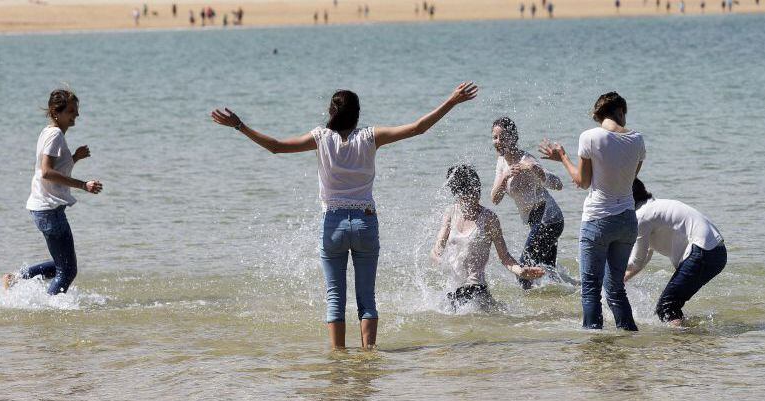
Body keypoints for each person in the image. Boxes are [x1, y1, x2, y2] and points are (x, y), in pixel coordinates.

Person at [210, 82, 478, 350]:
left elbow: (276, 147)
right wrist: (452, 101)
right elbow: (419, 127)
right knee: (367, 299)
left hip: (333, 225)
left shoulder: (320, 137)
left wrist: (239, 126)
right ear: (358, 114)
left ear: (331, 112)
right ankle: (368, 355)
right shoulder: (371, 136)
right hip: (365, 222)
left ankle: (338, 358)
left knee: (335, 298)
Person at [539, 92, 645, 331]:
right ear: (620, 111)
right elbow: (628, 179)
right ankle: (629, 338)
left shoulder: (589, 137)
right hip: (627, 220)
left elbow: (583, 182)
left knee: (590, 288)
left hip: (598, 220)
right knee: (616, 288)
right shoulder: (638, 140)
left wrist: (563, 157)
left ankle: (593, 346)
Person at [2, 89, 103, 294]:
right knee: (67, 271)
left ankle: (15, 278)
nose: (76, 115)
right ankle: (50, 308)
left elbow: (52, 169)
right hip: (49, 211)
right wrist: (84, 185)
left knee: (61, 265)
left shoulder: (49, 131)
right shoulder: (55, 134)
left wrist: (74, 157)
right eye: (71, 111)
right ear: (56, 112)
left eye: (77, 110)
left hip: (44, 209)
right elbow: (47, 172)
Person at [432, 165, 545, 310]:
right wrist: (438, 259)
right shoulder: (450, 213)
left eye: (477, 190)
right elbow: (436, 251)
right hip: (452, 289)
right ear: (458, 193)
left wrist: (520, 271)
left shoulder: (489, 218)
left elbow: (504, 257)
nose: (476, 195)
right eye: (470, 192)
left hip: (475, 289)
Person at [625, 179, 726, 326]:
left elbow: (636, 261)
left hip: (704, 252)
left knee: (667, 307)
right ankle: (689, 335)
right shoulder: (653, 208)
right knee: (670, 306)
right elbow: (645, 255)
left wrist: (610, 266)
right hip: (716, 252)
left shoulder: (641, 216)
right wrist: (624, 278)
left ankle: (680, 343)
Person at [490, 117, 565, 289]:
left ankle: (531, 313)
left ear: (513, 138)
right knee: (548, 275)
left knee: (523, 272)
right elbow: (495, 199)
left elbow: (558, 184)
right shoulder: (502, 162)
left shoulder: (527, 159)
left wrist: (534, 169)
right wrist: (505, 176)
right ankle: (559, 306)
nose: (498, 142)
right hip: (538, 222)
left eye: (503, 137)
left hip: (549, 219)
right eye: (495, 137)